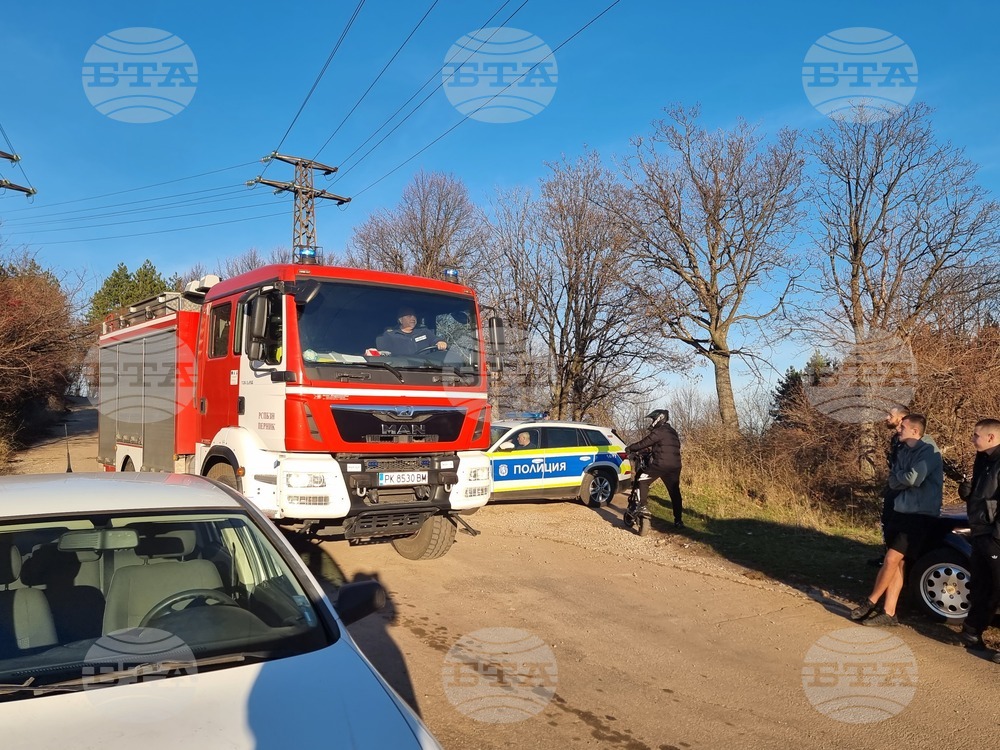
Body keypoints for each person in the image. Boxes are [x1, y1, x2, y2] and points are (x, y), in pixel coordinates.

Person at [851, 414, 943, 627]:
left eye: (903, 427)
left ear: (915, 431)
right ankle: (889, 612)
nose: (898, 429)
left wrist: (901, 477)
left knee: (891, 559)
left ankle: (871, 601)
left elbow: (913, 478)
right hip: (901, 510)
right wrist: (902, 477)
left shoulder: (929, 451)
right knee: (898, 563)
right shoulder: (903, 450)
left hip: (919, 514)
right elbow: (894, 479)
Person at [956, 418, 1000, 661]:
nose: (972, 439)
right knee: (981, 585)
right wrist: (967, 493)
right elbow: (982, 496)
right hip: (980, 532)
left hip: (994, 535)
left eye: (976, 435)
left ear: (991, 437)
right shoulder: (982, 459)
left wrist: (997, 535)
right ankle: (972, 632)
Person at [625, 409, 685, 528]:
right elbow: (664, 446)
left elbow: (644, 442)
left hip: (661, 464)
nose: (652, 422)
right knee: (674, 492)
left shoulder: (660, 431)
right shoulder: (673, 432)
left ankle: (643, 506)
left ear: (659, 419)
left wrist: (630, 448)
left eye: (653, 419)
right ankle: (678, 521)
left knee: (643, 480)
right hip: (675, 465)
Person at [375, 307, 447, 356]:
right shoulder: (389, 335)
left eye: (414, 316)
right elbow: (383, 355)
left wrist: (440, 342)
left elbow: (435, 339)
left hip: (427, 368)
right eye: (409, 316)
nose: (413, 318)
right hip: (399, 370)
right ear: (400, 320)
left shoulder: (424, 332)